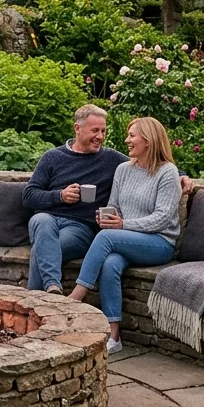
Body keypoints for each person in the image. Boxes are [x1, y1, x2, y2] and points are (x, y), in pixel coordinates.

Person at [68, 117, 182, 354]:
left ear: (149, 140)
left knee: (106, 238)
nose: (126, 140)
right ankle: (114, 336)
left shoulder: (167, 172)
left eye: (132, 135)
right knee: (110, 263)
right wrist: (107, 217)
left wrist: (122, 225)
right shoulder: (123, 169)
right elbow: (114, 205)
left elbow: (162, 217)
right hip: (128, 239)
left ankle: (76, 297)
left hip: (159, 242)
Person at [22, 104, 129, 294]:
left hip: (79, 228)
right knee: (41, 220)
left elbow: (146, 164)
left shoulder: (112, 159)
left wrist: (179, 174)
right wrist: (60, 196)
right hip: (47, 221)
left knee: (41, 250)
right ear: (77, 129)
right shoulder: (52, 157)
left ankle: (38, 300)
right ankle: (52, 288)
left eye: (103, 131)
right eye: (95, 130)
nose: (100, 136)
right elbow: (29, 196)